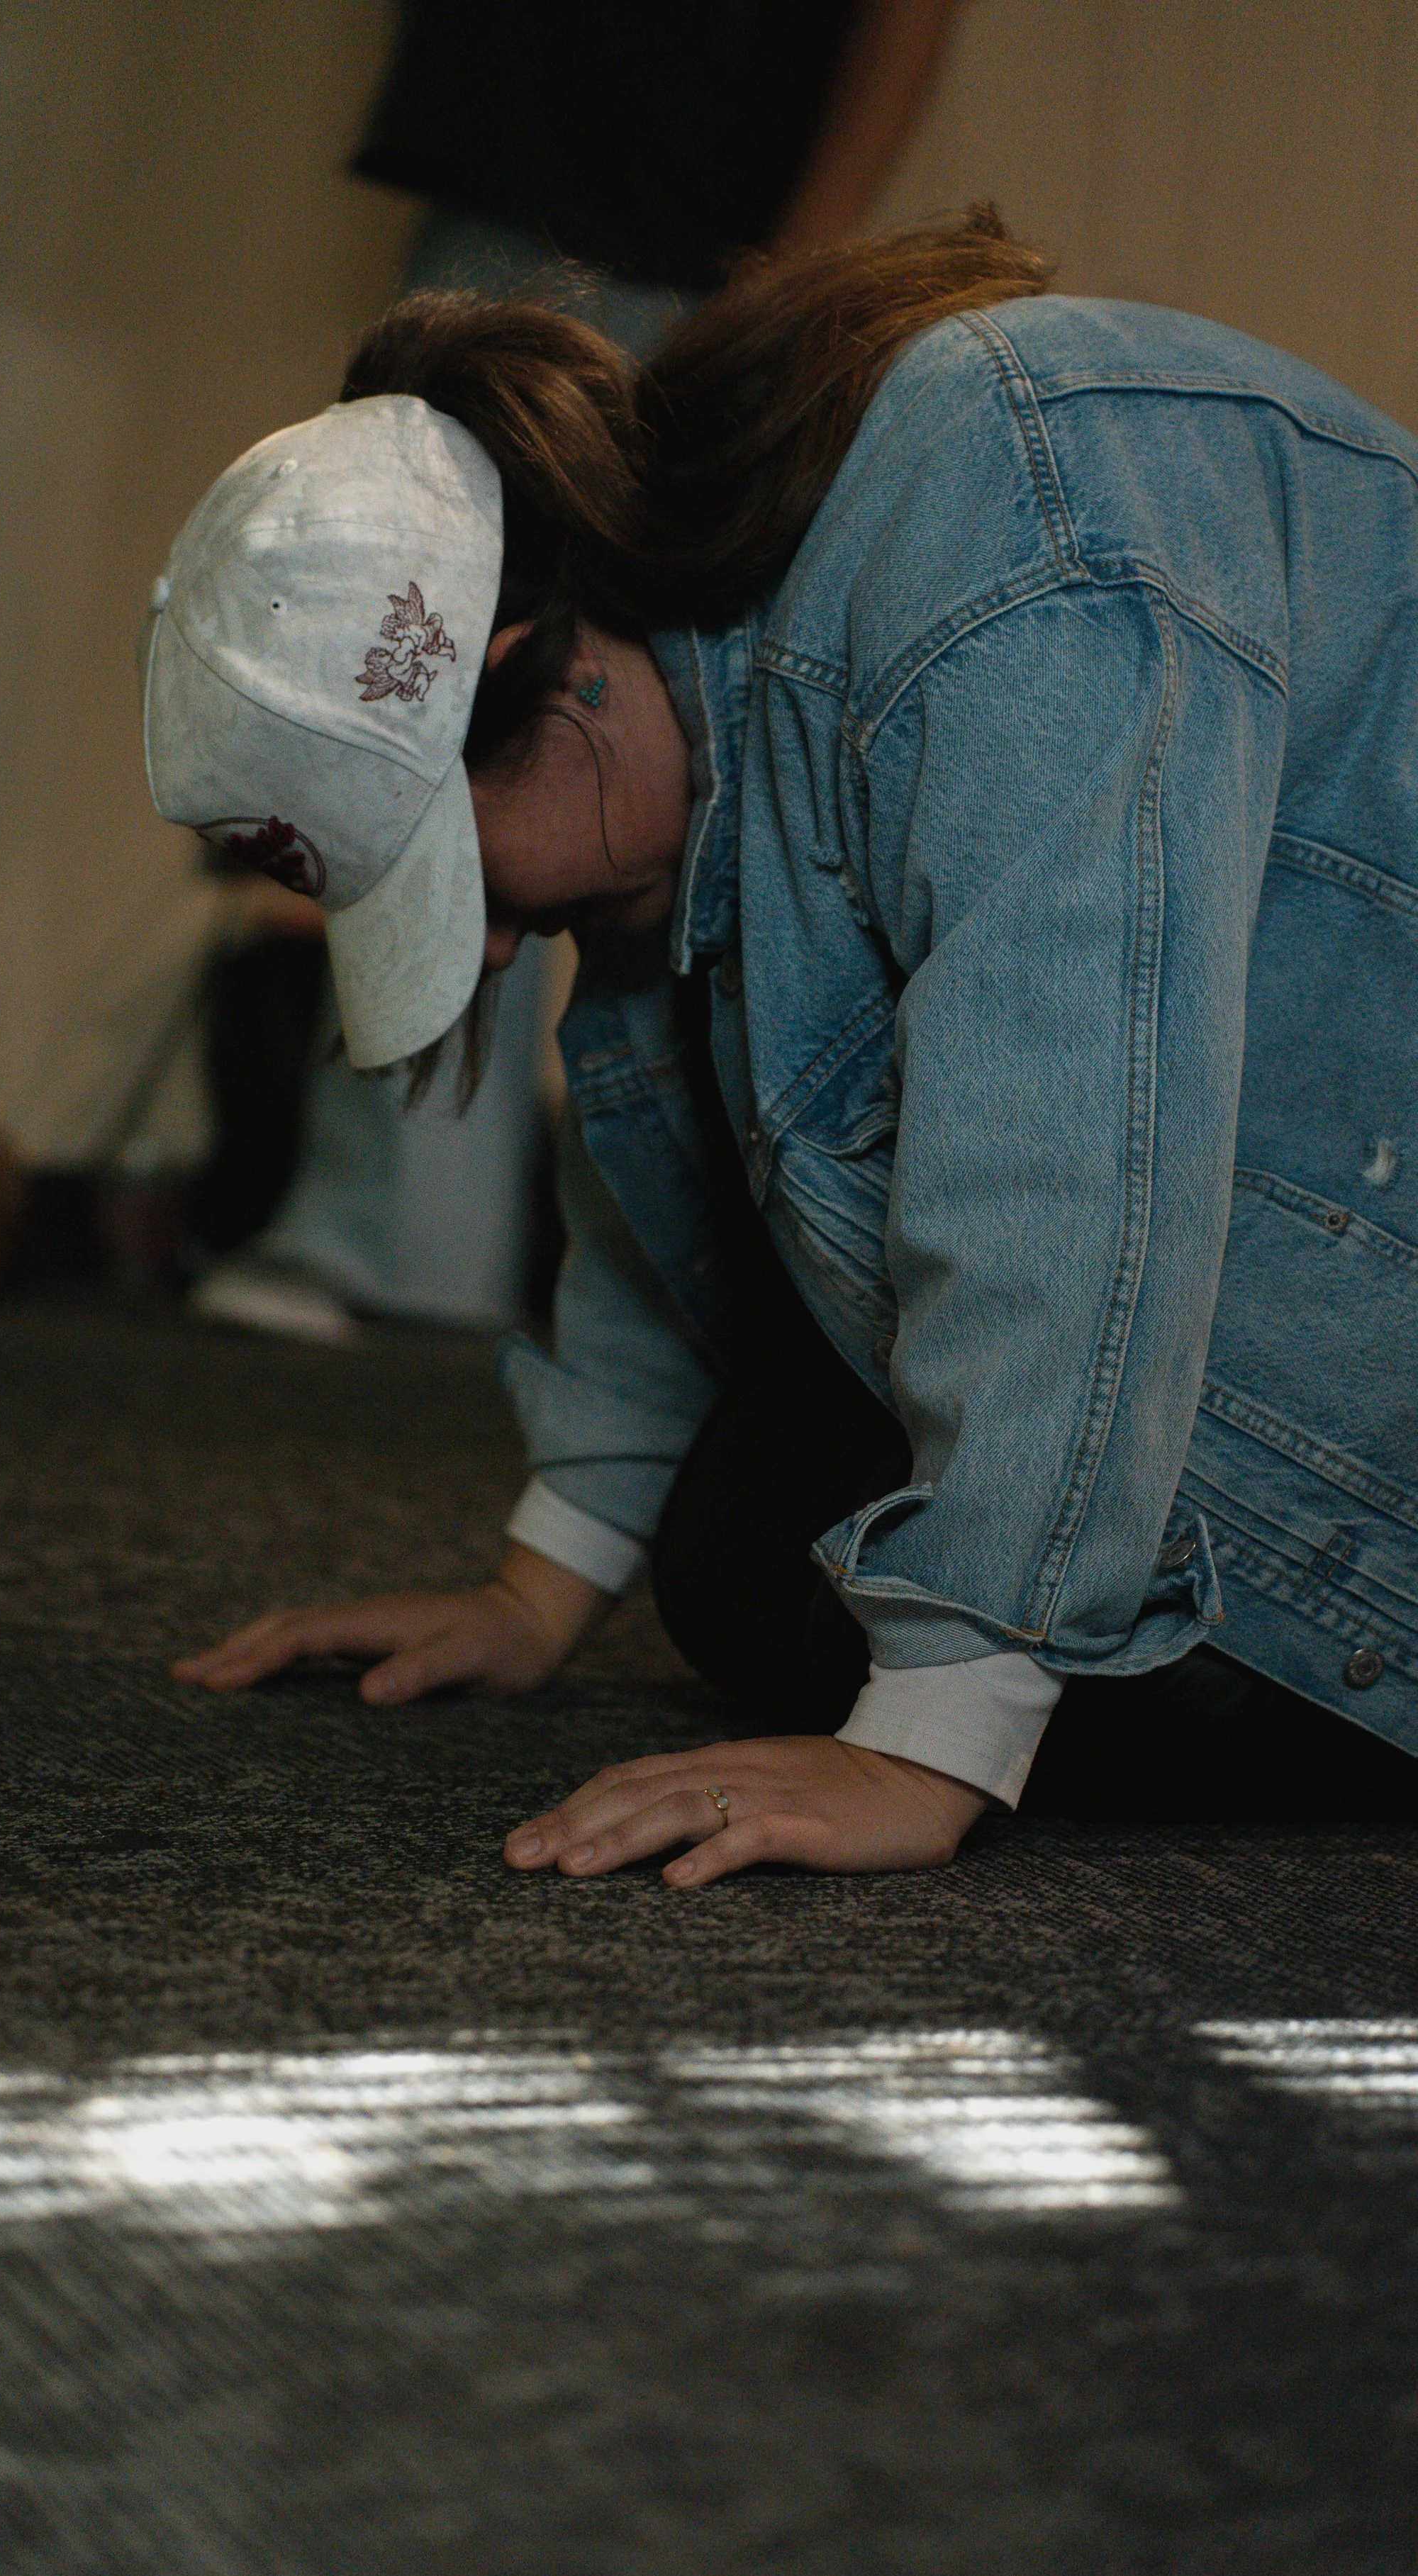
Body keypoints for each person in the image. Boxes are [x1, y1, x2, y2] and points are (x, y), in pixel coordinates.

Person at [147, 212, 1418, 1887]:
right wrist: (539, 1585)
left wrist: (935, 1732)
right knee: (741, 1553)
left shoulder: (1000, 531)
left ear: (554, 674)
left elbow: (1076, 1135)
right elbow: (664, 1138)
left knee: (851, 1598)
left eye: (465, 875)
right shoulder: (697, 634)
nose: (503, 944)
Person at [197, 0, 964, 1342]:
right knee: (443, 749)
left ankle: (725, 1289)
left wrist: (791, 267)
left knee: (666, 802)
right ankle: (403, 1236)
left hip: (696, 235)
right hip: (505, 196)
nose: (481, 941)